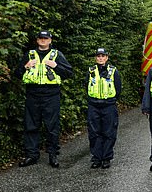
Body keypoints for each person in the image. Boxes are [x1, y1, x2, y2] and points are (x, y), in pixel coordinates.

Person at [15, 30, 73, 168]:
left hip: (51, 95)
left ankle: (53, 155)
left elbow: (69, 73)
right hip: (32, 94)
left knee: (52, 126)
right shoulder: (29, 55)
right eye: (41, 38)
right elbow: (17, 74)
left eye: (45, 38)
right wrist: (26, 66)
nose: (43, 40)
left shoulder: (56, 55)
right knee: (31, 126)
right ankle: (31, 155)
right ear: (37, 40)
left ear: (50, 40)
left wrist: (56, 66)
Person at [86, 48, 122, 169]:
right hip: (94, 105)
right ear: (95, 58)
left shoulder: (113, 71)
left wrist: (110, 100)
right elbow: (86, 86)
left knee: (109, 132)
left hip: (108, 105)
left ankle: (106, 158)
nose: (100, 58)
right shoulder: (91, 71)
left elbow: (118, 89)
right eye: (98, 56)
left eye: (103, 56)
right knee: (94, 133)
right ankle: (96, 158)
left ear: (107, 58)